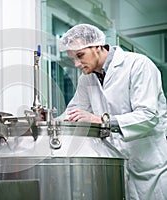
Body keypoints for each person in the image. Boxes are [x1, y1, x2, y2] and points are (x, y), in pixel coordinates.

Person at [58, 24, 167, 199]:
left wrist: (101, 120)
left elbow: (148, 116)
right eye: (73, 59)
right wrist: (48, 122)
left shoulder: (138, 65)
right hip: (115, 165)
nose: (77, 64)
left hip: (149, 167)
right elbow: (74, 113)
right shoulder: (86, 79)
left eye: (80, 56)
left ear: (97, 46)